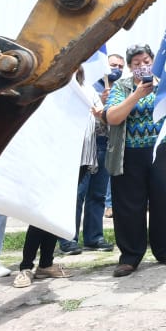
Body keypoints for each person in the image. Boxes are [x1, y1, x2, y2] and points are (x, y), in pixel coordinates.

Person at [104, 44, 166, 277]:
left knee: (164, 201)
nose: (142, 66)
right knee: (129, 206)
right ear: (130, 67)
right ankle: (130, 256)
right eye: (137, 63)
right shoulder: (122, 86)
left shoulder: (165, 84)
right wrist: (137, 94)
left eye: (146, 61)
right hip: (128, 154)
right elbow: (112, 117)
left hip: (160, 151)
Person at [61, 53, 122, 255]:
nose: (76, 70)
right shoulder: (63, 91)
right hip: (78, 148)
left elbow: (103, 119)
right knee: (77, 195)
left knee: (97, 194)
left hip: (101, 144)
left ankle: (93, 237)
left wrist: (103, 110)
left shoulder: (92, 90)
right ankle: (68, 238)